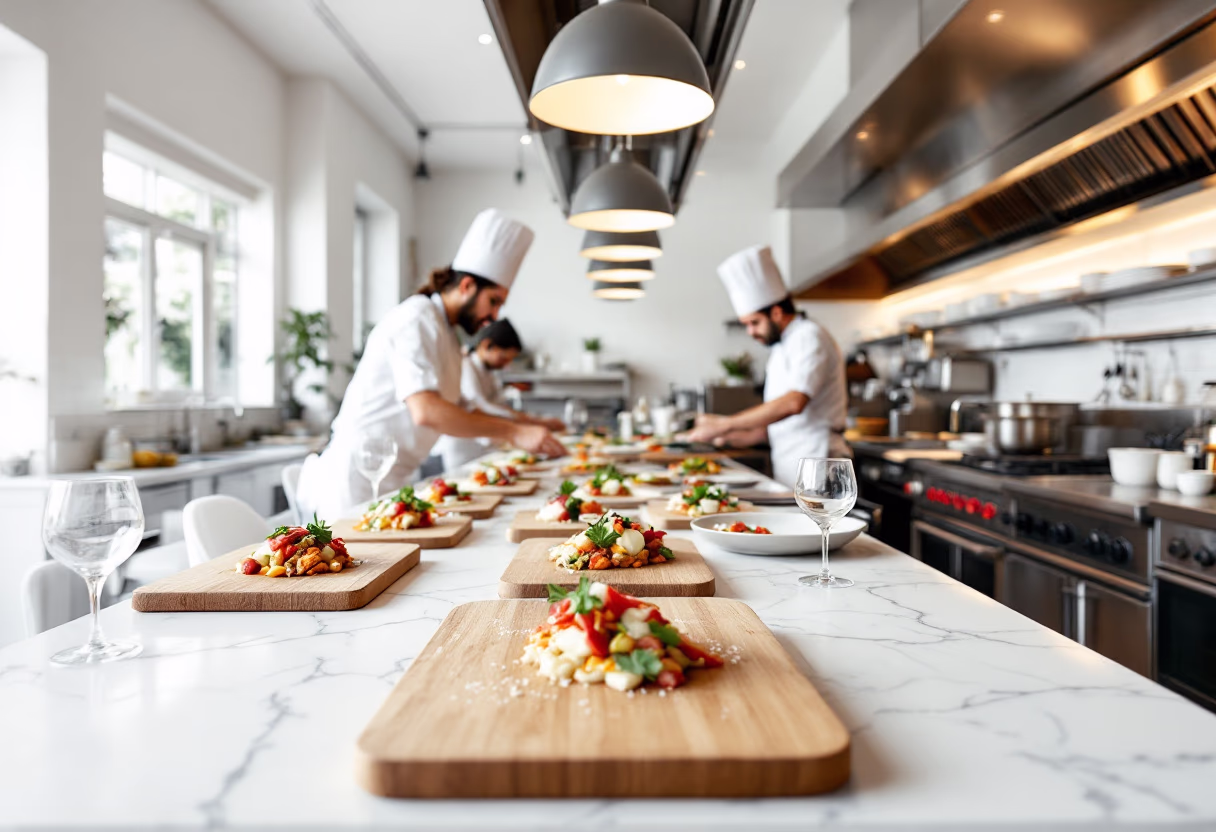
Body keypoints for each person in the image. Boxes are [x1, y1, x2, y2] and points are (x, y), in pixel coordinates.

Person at [297, 209, 565, 519]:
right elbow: (426, 411)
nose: (493, 317)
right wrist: (515, 433)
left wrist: (526, 427)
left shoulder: (448, 335)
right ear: (466, 286)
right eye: (493, 301)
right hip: (356, 479)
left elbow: (466, 409)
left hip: (397, 476)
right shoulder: (416, 318)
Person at [681, 244, 848, 487]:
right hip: (791, 465)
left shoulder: (810, 336)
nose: (750, 332)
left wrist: (724, 423)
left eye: (754, 323)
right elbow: (773, 425)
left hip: (820, 462)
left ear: (777, 312)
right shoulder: (781, 347)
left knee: (821, 526)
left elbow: (793, 404)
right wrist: (724, 436)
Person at [438, 318, 565, 470]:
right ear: (487, 345)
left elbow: (499, 403)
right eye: (503, 357)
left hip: (488, 444)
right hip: (464, 448)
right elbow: (481, 405)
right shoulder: (467, 366)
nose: (505, 364)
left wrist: (530, 420)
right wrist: (526, 422)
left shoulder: (490, 372)